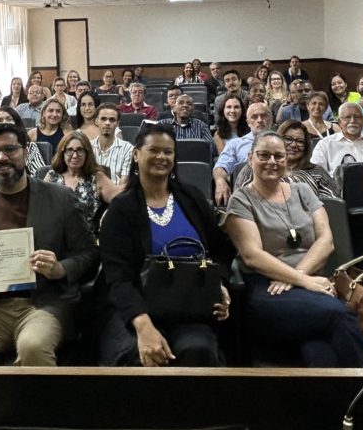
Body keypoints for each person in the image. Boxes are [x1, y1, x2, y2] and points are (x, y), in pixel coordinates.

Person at [0, 123, 98, 366]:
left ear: (25, 152)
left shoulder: (60, 197)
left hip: (43, 304)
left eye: (10, 149)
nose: (2, 157)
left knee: (33, 347)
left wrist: (60, 269)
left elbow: (88, 254)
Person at [224, 132, 363, 367]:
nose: (272, 162)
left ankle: (337, 399)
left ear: (286, 160)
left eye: (278, 156)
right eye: (263, 155)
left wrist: (299, 277)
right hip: (267, 289)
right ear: (250, 158)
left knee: (317, 351)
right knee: (337, 314)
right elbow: (252, 256)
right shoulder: (241, 200)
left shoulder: (302, 191)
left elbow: (326, 240)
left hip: (309, 281)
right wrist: (302, 280)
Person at [98, 125, 232, 367]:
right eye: (154, 150)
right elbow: (118, 278)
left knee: (198, 350)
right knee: (140, 356)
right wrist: (143, 325)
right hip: (137, 307)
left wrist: (219, 284)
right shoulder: (121, 209)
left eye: (168, 152)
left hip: (190, 306)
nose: (162, 157)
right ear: (136, 154)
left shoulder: (191, 198)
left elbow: (222, 250)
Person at [235, 121, 338, 200]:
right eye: (288, 139)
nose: (293, 145)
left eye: (300, 141)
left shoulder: (317, 171)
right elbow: (242, 199)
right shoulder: (255, 167)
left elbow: (332, 204)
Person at [43, 130, 107, 232]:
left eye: (80, 150)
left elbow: (119, 201)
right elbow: (41, 207)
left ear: (87, 153)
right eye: (70, 150)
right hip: (56, 238)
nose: (75, 156)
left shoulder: (97, 177)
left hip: (86, 240)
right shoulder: (52, 176)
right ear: (62, 153)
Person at [213, 102, 274, 207]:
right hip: (246, 198)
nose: (259, 120)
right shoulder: (235, 144)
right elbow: (221, 167)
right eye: (254, 117)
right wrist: (220, 180)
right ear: (248, 122)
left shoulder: (283, 143)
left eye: (264, 116)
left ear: (271, 119)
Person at [310, 102, 363, 173]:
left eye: (357, 117)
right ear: (339, 122)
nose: (352, 121)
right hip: (337, 191)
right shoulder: (325, 144)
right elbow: (316, 174)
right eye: (347, 117)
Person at [92, 103, 134, 203]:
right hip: (92, 199)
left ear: (117, 123)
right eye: (103, 119)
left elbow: (124, 182)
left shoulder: (128, 148)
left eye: (112, 120)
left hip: (117, 200)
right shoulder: (87, 147)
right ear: (96, 121)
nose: (107, 123)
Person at [0, 107, 48, 176]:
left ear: (16, 123)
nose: (4, 123)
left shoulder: (30, 147)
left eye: (9, 119)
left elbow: (39, 174)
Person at [169, 94, 217, 160]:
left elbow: (211, 147)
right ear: (174, 108)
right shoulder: (164, 124)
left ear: (193, 110)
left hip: (195, 163)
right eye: (181, 103)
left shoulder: (201, 126)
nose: (185, 105)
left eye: (189, 104)